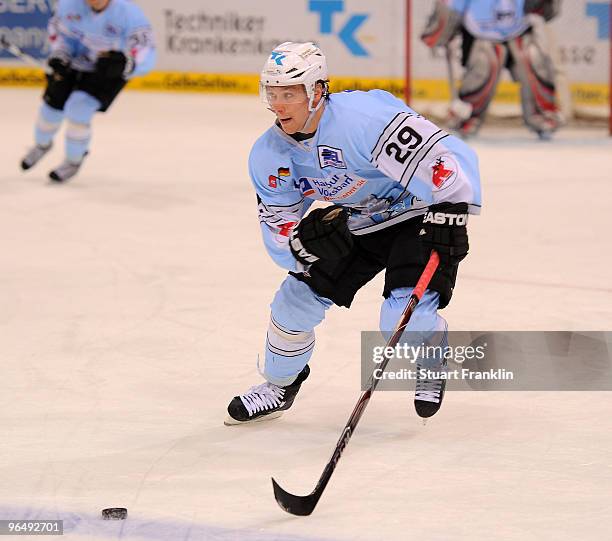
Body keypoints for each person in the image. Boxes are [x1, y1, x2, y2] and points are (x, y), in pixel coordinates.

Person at [225, 42, 481, 426]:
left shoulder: (363, 119)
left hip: (414, 214)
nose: (279, 105)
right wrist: (299, 246)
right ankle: (280, 385)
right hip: (355, 222)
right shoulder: (270, 155)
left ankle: (431, 351)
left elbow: (444, 157)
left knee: (401, 321)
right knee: (292, 305)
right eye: (272, 93)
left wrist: (451, 210)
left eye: (289, 93)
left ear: (316, 91)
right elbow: (278, 232)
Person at [20, 0, 156, 182]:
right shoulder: (68, 5)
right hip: (75, 63)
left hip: (107, 71)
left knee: (78, 110)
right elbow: (60, 35)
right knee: (51, 107)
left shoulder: (129, 14)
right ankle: (42, 144)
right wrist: (61, 54)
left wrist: (127, 64)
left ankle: (73, 161)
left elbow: (146, 50)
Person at [421, 0, 562, 139]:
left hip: (519, 28)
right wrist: (440, 27)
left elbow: (548, 11)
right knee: (483, 66)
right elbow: (450, 5)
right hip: (480, 32)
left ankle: (544, 114)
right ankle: (467, 116)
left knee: (533, 59)